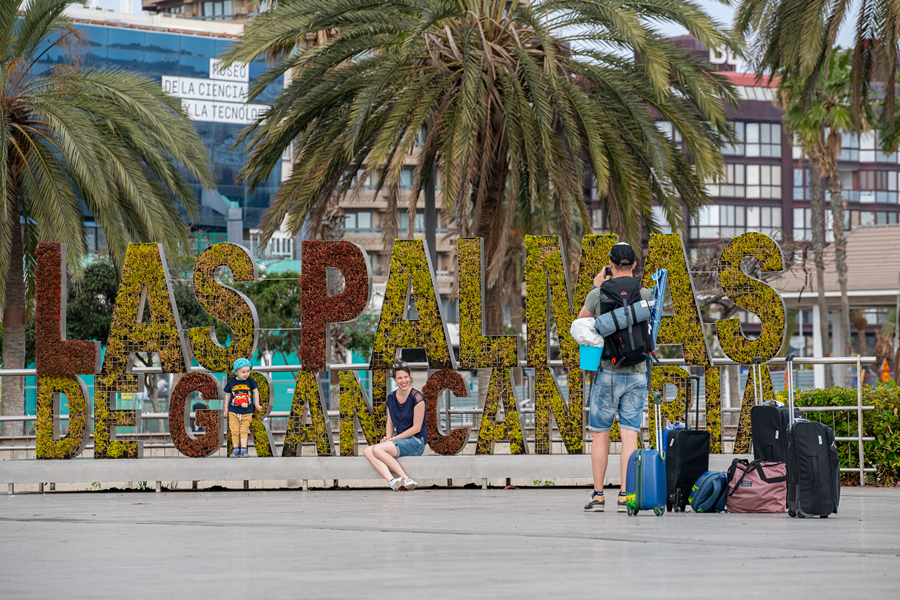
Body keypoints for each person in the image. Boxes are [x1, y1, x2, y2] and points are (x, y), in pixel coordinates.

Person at [577, 242, 653, 512]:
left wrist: (597, 288)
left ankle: (598, 495)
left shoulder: (598, 295)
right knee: (630, 434)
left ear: (609, 265)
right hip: (638, 373)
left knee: (601, 435)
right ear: (634, 265)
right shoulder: (646, 293)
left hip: (608, 373)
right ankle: (625, 495)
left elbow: (581, 324)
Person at [363, 362, 426, 490]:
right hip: (400, 441)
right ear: (395, 380)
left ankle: (405, 478)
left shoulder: (417, 398)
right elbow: (390, 422)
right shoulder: (391, 397)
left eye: (406, 377)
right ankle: (392, 481)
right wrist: (388, 437)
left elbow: (416, 428)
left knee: (377, 450)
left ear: (410, 377)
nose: (403, 381)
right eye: (400, 378)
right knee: (367, 451)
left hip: (416, 442)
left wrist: (393, 439)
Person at [223, 358, 262, 458]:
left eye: (248, 371)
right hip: (233, 411)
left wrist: (256, 404)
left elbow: (255, 391)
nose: (246, 374)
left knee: (244, 430)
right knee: (234, 431)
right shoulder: (231, 382)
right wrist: (226, 408)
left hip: (247, 412)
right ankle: (236, 449)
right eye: (243, 372)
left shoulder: (250, 381)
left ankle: (243, 449)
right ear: (236, 372)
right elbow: (228, 395)